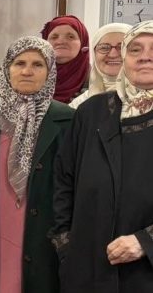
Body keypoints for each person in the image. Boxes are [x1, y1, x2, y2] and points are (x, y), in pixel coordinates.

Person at [0, 37, 73, 293]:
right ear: (7, 69)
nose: (27, 71)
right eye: (19, 63)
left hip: (46, 242)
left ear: (50, 71)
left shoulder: (68, 120)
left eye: (37, 64)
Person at [52, 20, 153, 292]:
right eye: (135, 49)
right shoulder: (91, 111)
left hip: (145, 273)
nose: (145, 56)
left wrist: (146, 242)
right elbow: (64, 181)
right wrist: (65, 246)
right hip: (87, 266)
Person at [71, 22, 130, 108]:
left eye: (122, 47)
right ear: (94, 53)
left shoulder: (146, 101)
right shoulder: (79, 104)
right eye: (104, 48)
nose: (112, 54)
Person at [40, 15, 89, 103]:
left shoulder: (96, 81)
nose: (60, 42)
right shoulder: (30, 74)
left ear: (83, 42)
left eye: (70, 37)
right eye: (54, 37)